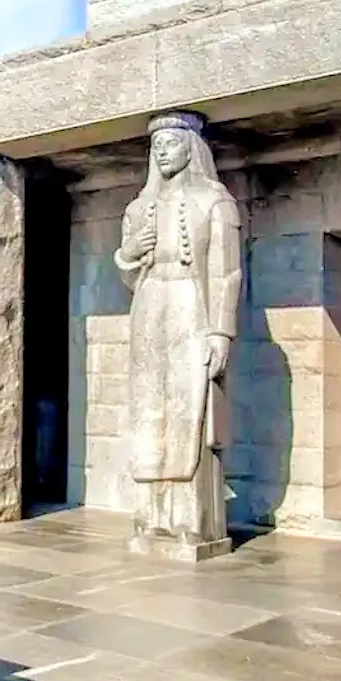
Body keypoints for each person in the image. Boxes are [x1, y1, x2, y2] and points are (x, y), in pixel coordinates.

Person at [114, 111, 242, 551]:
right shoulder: (138, 208)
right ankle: (151, 517)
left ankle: (193, 519)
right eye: (157, 145)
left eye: (171, 142)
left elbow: (227, 272)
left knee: (191, 410)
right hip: (151, 304)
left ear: (192, 146)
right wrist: (129, 253)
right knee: (151, 407)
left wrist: (221, 332)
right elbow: (129, 272)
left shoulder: (215, 201)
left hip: (193, 305)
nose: (163, 151)